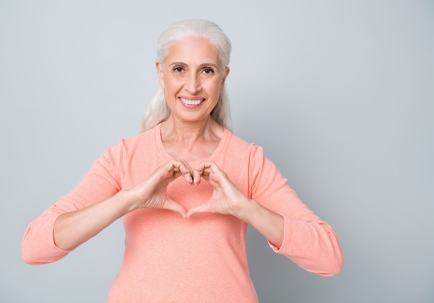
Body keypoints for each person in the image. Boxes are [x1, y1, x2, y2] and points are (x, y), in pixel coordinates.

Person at [22, 19, 343, 302]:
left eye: (207, 70)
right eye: (179, 69)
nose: (192, 86)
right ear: (161, 73)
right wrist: (129, 199)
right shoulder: (124, 156)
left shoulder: (248, 160)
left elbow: (329, 259)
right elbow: (35, 248)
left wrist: (245, 208)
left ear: (223, 77)